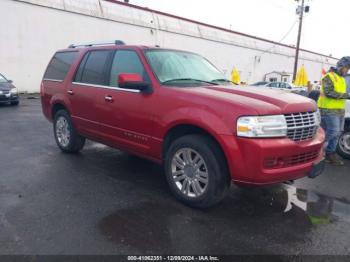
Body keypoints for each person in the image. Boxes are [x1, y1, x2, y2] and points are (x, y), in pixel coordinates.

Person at [317, 56, 350, 165]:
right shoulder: (329, 76)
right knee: (333, 131)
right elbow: (329, 92)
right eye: (347, 67)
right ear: (341, 66)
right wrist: (347, 95)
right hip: (328, 109)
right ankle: (316, 148)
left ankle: (330, 154)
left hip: (339, 110)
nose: (347, 70)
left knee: (338, 132)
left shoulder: (341, 79)